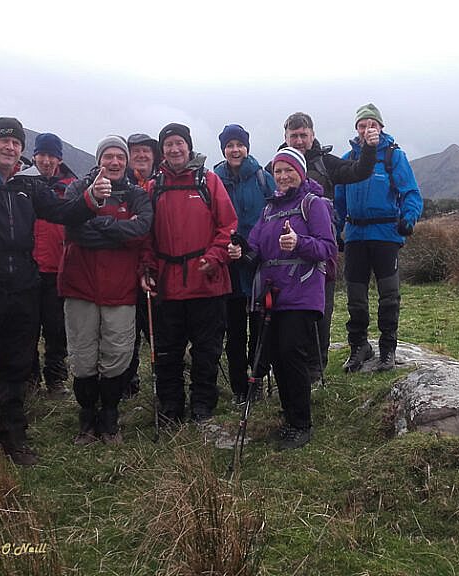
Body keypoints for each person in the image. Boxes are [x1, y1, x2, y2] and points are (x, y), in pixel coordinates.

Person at [0, 117, 108, 476]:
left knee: (16, 367)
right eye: (3, 142)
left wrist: (91, 199)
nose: (10, 148)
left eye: (16, 143)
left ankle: (13, 438)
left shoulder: (29, 185)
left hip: (21, 288)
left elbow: (61, 213)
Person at [228, 147, 335, 449]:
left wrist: (299, 243)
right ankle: (290, 416)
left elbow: (327, 248)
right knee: (275, 355)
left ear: (300, 172)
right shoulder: (269, 209)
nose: (283, 176)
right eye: (278, 171)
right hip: (272, 293)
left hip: (302, 292)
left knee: (291, 353)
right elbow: (255, 252)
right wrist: (239, 252)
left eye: (289, 170)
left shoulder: (313, 205)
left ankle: (301, 424)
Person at [140, 123, 237, 424]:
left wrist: (216, 256)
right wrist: (147, 267)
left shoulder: (208, 181)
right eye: (168, 144)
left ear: (189, 146)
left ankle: (202, 404)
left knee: (206, 350)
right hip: (168, 283)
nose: (174, 149)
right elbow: (146, 236)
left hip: (206, 281)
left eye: (179, 143)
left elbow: (228, 226)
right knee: (168, 351)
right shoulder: (153, 187)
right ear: (162, 150)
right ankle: (170, 406)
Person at [59, 135, 153, 445]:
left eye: (119, 157)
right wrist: (118, 232)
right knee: (83, 356)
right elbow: (72, 227)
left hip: (120, 288)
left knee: (117, 355)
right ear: (99, 159)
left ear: (126, 162)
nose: (114, 162)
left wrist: (100, 225)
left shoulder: (137, 193)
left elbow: (142, 230)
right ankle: (87, 421)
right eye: (108, 156)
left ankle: (110, 419)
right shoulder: (77, 188)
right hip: (80, 285)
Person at [274, 112, 378, 382]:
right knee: (288, 314)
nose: (298, 141)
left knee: (321, 312)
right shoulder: (274, 168)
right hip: (285, 256)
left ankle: (316, 371)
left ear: (312, 135)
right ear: (285, 137)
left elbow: (360, 171)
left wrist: (368, 148)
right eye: (293, 136)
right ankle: (291, 370)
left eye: (303, 135)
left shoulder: (326, 163)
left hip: (321, 253)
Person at [334, 104, 423, 372]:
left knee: (389, 296)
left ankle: (388, 350)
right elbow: (338, 200)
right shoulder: (348, 158)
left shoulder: (394, 156)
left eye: (372, 124)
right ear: (357, 130)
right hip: (355, 236)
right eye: (362, 125)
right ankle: (359, 346)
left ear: (381, 128)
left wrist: (408, 219)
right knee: (355, 297)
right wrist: (335, 229)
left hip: (385, 234)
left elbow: (411, 193)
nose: (367, 129)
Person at [213, 124, 275, 405]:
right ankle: (240, 387)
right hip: (228, 267)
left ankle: (257, 380)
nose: (234, 149)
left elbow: (274, 214)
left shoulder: (263, 178)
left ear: (247, 147)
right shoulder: (214, 179)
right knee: (234, 332)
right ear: (223, 149)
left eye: (239, 144)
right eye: (229, 145)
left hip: (257, 266)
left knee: (260, 329)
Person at [27, 133, 77, 399]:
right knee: (27, 328)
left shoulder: (72, 186)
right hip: (27, 269)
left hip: (59, 270)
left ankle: (56, 380)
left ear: (59, 158)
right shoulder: (22, 182)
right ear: (34, 156)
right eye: (41, 155)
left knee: (57, 330)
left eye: (51, 156)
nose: (46, 161)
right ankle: (30, 380)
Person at [120, 132, 161, 400]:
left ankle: (164, 380)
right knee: (127, 331)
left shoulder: (161, 184)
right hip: (123, 268)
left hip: (157, 267)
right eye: (136, 152)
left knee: (158, 330)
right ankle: (128, 382)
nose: (142, 156)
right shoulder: (118, 187)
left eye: (147, 151)